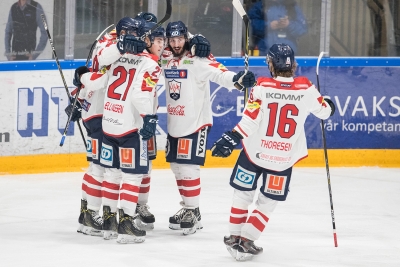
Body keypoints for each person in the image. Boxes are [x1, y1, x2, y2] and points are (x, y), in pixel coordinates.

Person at [211, 43, 335, 261]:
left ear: (270, 64)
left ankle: (234, 236)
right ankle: (247, 239)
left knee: (242, 194)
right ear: (292, 64)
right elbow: (324, 112)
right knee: (268, 201)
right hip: (282, 159)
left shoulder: (261, 86)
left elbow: (249, 120)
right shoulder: (306, 88)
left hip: (253, 154)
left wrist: (232, 137)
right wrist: (328, 103)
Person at [161, 21, 256, 235]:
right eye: (172, 40)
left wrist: (238, 79)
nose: (176, 44)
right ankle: (186, 207)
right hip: (174, 123)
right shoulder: (165, 56)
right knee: (176, 167)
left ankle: (193, 212)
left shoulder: (198, 58)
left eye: (180, 39)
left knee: (188, 168)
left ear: (186, 37)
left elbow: (219, 74)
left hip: (196, 122)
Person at [76, 18, 165, 244]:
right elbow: (140, 95)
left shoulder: (118, 58)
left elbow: (96, 81)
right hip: (128, 126)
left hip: (108, 123)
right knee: (132, 175)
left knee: (111, 173)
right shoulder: (149, 63)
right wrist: (150, 118)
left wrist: (81, 76)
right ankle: (125, 223)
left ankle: (108, 222)